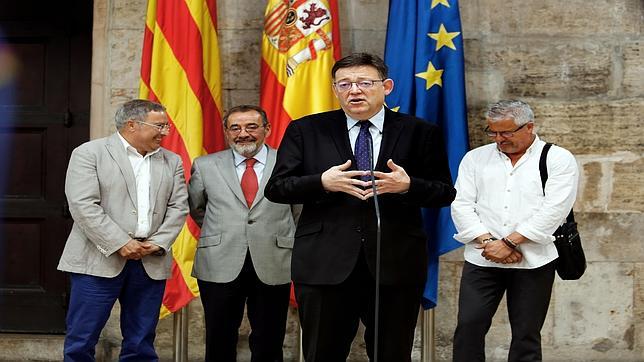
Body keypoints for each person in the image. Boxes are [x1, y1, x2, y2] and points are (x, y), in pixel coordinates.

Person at [265, 53, 456, 361]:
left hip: (395, 264)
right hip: (325, 265)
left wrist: (408, 186)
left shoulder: (420, 132)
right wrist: (321, 182)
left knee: (392, 354)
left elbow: (445, 192)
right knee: (322, 353)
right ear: (335, 89)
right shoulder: (306, 130)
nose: (355, 91)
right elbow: (276, 188)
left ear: (387, 86)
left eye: (365, 83)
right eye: (345, 84)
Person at [57, 99, 189, 361]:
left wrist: (158, 243)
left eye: (166, 126)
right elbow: (83, 205)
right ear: (132, 125)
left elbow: (179, 207)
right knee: (81, 340)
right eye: (159, 126)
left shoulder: (171, 161)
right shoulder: (89, 153)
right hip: (96, 260)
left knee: (141, 342)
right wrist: (120, 242)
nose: (165, 132)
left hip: (149, 261)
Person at [451, 99, 579, 361]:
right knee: (469, 327)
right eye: (493, 132)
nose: (498, 138)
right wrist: (490, 243)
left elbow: (555, 210)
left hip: (534, 261)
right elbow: (461, 205)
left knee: (526, 335)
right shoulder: (475, 159)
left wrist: (508, 243)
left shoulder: (557, 158)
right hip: (482, 260)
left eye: (506, 132)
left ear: (529, 127)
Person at [188, 105, 296, 362]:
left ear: (266, 129)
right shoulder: (205, 165)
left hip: (274, 260)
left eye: (251, 127)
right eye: (235, 127)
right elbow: (197, 208)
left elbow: (298, 211)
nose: (243, 133)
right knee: (219, 337)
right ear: (226, 132)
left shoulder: (288, 164)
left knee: (270, 339)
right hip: (219, 261)